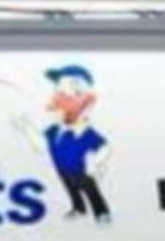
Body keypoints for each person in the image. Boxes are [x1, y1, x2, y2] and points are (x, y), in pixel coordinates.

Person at [19, 64, 112, 224]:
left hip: (82, 172)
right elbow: (41, 146)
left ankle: (102, 213)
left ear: (87, 99)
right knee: (71, 189)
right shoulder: (55, 129)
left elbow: (104, 147)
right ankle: (79, 208)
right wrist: (26, 127)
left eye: (66, 92)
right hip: (62, 169)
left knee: (90, 190)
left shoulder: (85, 132)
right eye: (58, 91)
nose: (59, 96)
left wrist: (97, 164)